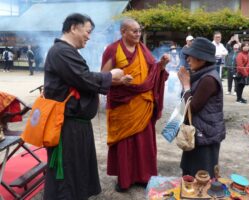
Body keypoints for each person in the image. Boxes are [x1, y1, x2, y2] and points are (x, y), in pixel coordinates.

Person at [43, 13, 124, 200]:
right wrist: (110, 75)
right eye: (87, 32)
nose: (89, 36)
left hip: (76, 125)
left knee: (78, 171)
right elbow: (84, 78)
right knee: (68, 175)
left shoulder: (67, 52)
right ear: (73, 28)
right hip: (67, 126)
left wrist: (112, 79)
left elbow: (81, 78)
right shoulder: (61, 51)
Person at [101, 18, 169, 191]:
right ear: (123, 32)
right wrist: (121, 81)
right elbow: (103, 78)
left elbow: (153, 72)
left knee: (143, 142)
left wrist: (161, 65)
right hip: (122, 104)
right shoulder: (112, 49)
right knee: (125, 143)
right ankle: (125, 179)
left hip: (142, 103)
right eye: (134, 31)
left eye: (139, 30)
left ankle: (144, 176)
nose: (138, 34)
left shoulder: (143, 49)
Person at [177, 37, 226, 178]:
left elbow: (192, 107)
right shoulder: (201, 75)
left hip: (206, 135)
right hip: (198, 133)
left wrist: (186, 85)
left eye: (190, 57)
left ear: (202, 59)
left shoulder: (209, 79)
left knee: (202, 176)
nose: (187, 60)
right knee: (189, 172)